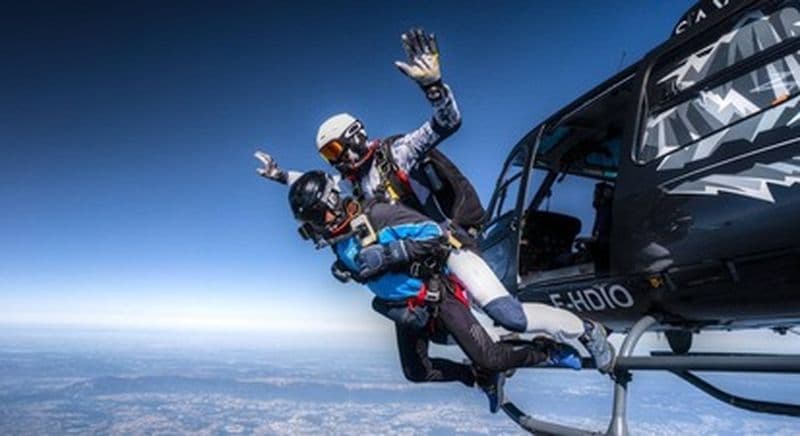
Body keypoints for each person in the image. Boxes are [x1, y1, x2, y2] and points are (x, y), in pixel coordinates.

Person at [254, 28, 614, 372]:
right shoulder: (354, 183)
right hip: (425, 261)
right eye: (328, 156)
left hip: (449, 243)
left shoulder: (396, 153)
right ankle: (507, 364)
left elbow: (446, 123)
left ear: (355, 136)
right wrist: (281, 176)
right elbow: (320, 190)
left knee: (508, 315)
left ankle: (584, 329)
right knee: (451, 330)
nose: (337, 160)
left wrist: (434, 87)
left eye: (335, 149)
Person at [287, 171, 583, 413]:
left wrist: (392, 253)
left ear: (333, 201)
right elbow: (363, 264)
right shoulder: (339, 240)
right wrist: (346, 270)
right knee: (417, 371)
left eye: (317, 218)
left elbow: (435, 235)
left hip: (436, 296)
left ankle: (547, 352)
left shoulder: (377, 216)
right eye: (310, 223)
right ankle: (477, 377)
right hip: (405, 308)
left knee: (491, 356)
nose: (318, 228)